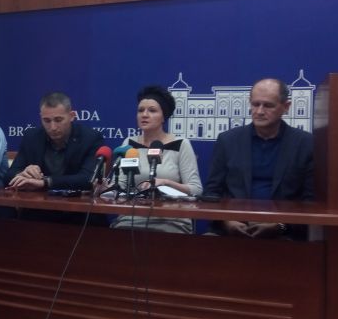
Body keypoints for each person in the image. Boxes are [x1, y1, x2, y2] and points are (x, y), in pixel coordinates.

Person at [203, 78, 314, 238]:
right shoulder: (227, 140)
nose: (260, 111)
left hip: (284, 234)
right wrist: (226, 221)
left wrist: (281, 225)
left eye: (268, 105)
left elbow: (310, 202)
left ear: (286, 107)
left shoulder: (306, 144)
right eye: (255, 104)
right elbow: (212, 192)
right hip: (230, 230)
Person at [110, 86, 203, 233]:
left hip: (172, 219)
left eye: (152, 111)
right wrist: (106, 188)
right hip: (132, 217)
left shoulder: (181, 144)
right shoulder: (129, 143)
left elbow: (196, 190)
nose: (144, 115)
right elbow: (121, 185)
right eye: (140, 110)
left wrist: (165, 182)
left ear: (163, 117)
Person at [7, 91, 105, 222]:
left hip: (78, 212)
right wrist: (23, 173)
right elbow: (9, 175)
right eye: (46, 121)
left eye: (58, 120)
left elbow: (87, 179)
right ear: (41, 117)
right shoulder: (31, 137)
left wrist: (45, 182)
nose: (52, 127)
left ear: (72, 116)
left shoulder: (90, 138)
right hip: (38, 211)